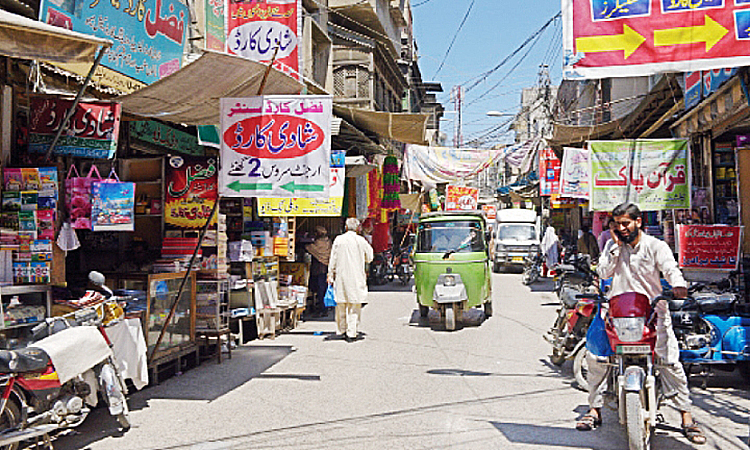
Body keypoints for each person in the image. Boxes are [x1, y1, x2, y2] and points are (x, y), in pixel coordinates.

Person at [575, 203, 706, 445]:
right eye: (617, 224)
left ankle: (687, 417)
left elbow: (671, 269)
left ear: (639, 222)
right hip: (617, 314)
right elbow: (603, 273)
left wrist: (679, 286)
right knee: (598, 360)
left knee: (670, 362)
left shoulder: (656, 246)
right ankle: (595, 409)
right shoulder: (613, 247)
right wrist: (614, 246)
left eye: (626, 223)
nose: (622, 229)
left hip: (652, 314)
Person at [328, 218, 374, 342]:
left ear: (346, 227)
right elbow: (370, 257)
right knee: (354, 306)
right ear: (358, 228)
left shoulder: (339, 240)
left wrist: (330, 275)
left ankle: (342, 330)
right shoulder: (361, 241)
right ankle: (351, 333)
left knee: (341, 304)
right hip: (356, 277)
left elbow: (333, 258)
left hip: (341, 277)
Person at [305, 226, 331, 317]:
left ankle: (322, 309)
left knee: (320, 289)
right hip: (325, 267)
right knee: (322, 289)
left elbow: (310, 248)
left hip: (319, 268)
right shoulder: (328, 242)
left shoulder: (319, 243)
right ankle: (323, 308)